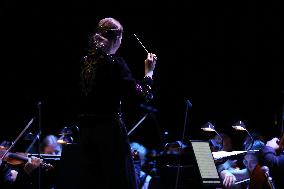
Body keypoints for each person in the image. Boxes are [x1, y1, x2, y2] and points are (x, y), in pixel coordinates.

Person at [59, 17, 157, 189]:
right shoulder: (115, 63)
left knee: (93, 181)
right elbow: (143, 95)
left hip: (86, 133)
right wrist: (149, 73)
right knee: (119, 181)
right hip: (109, 132)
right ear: (117, 39)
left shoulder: (83, 63)